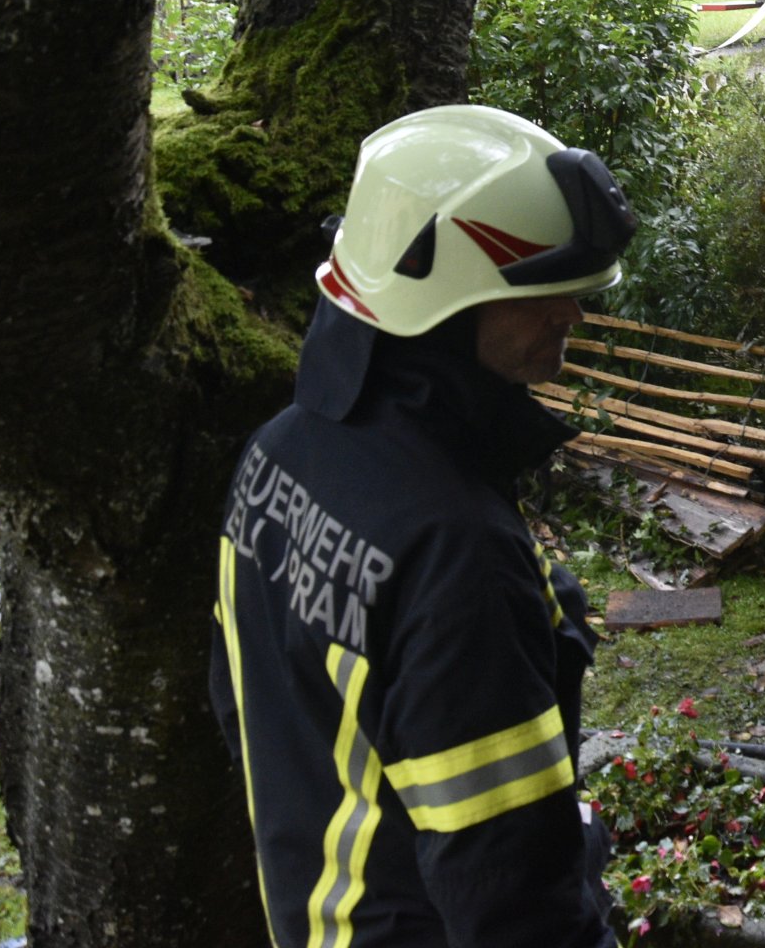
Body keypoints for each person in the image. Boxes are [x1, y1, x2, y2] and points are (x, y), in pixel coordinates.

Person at [210, 104, 638, 947]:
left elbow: (241, 707)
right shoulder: (457, 552)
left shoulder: (281, 452)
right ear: (438, 301)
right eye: (543, 289)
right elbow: (515, 902)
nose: (572, 315)